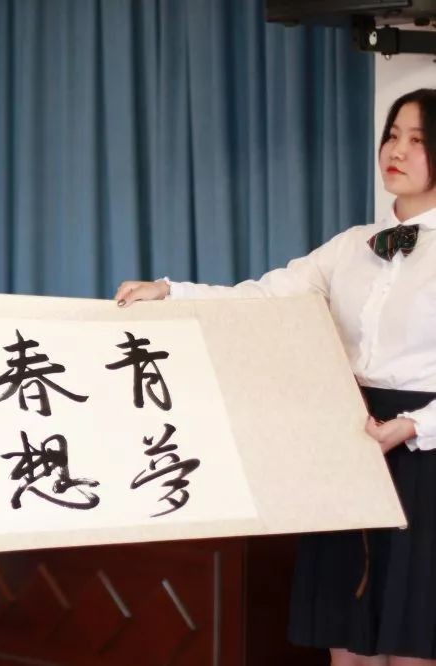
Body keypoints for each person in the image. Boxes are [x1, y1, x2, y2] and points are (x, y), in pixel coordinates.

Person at [115, 87, 436, 666]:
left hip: (426, 453)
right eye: (392, 134)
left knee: (414, 641)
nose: (396, 150)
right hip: (351, 443)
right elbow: (265, 297)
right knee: (348, 637)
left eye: (417, 140)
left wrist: (414, 426)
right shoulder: (350, 247)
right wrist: (170, 292)